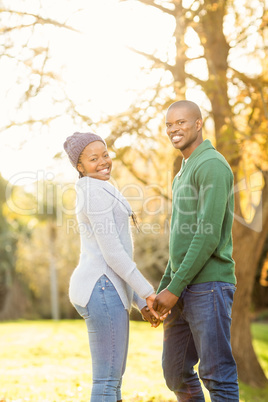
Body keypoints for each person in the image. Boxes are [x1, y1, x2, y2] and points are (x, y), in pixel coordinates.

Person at [153, 100, 239, 401]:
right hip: (184, 285)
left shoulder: (212, 165)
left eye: (181, 122)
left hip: (209, 287)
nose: (174, 129)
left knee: (218, 375)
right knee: (174, 371)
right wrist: (164, 290)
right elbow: (181, 242)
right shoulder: (183, 171)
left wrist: (174, 289)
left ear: (198, 124)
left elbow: (206, 236)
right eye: (169, 124)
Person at [63, 132, 159, 402]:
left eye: (105, 154)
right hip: (101, 288)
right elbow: (114, 255)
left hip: (106, 288)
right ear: (79, 167)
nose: (103, 162)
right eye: (93, 159)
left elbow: (119, 255)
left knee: (113, 382)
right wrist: (149, 293)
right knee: (107, 382)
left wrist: (141, 301)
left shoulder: (101, 188)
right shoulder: (93, 193)